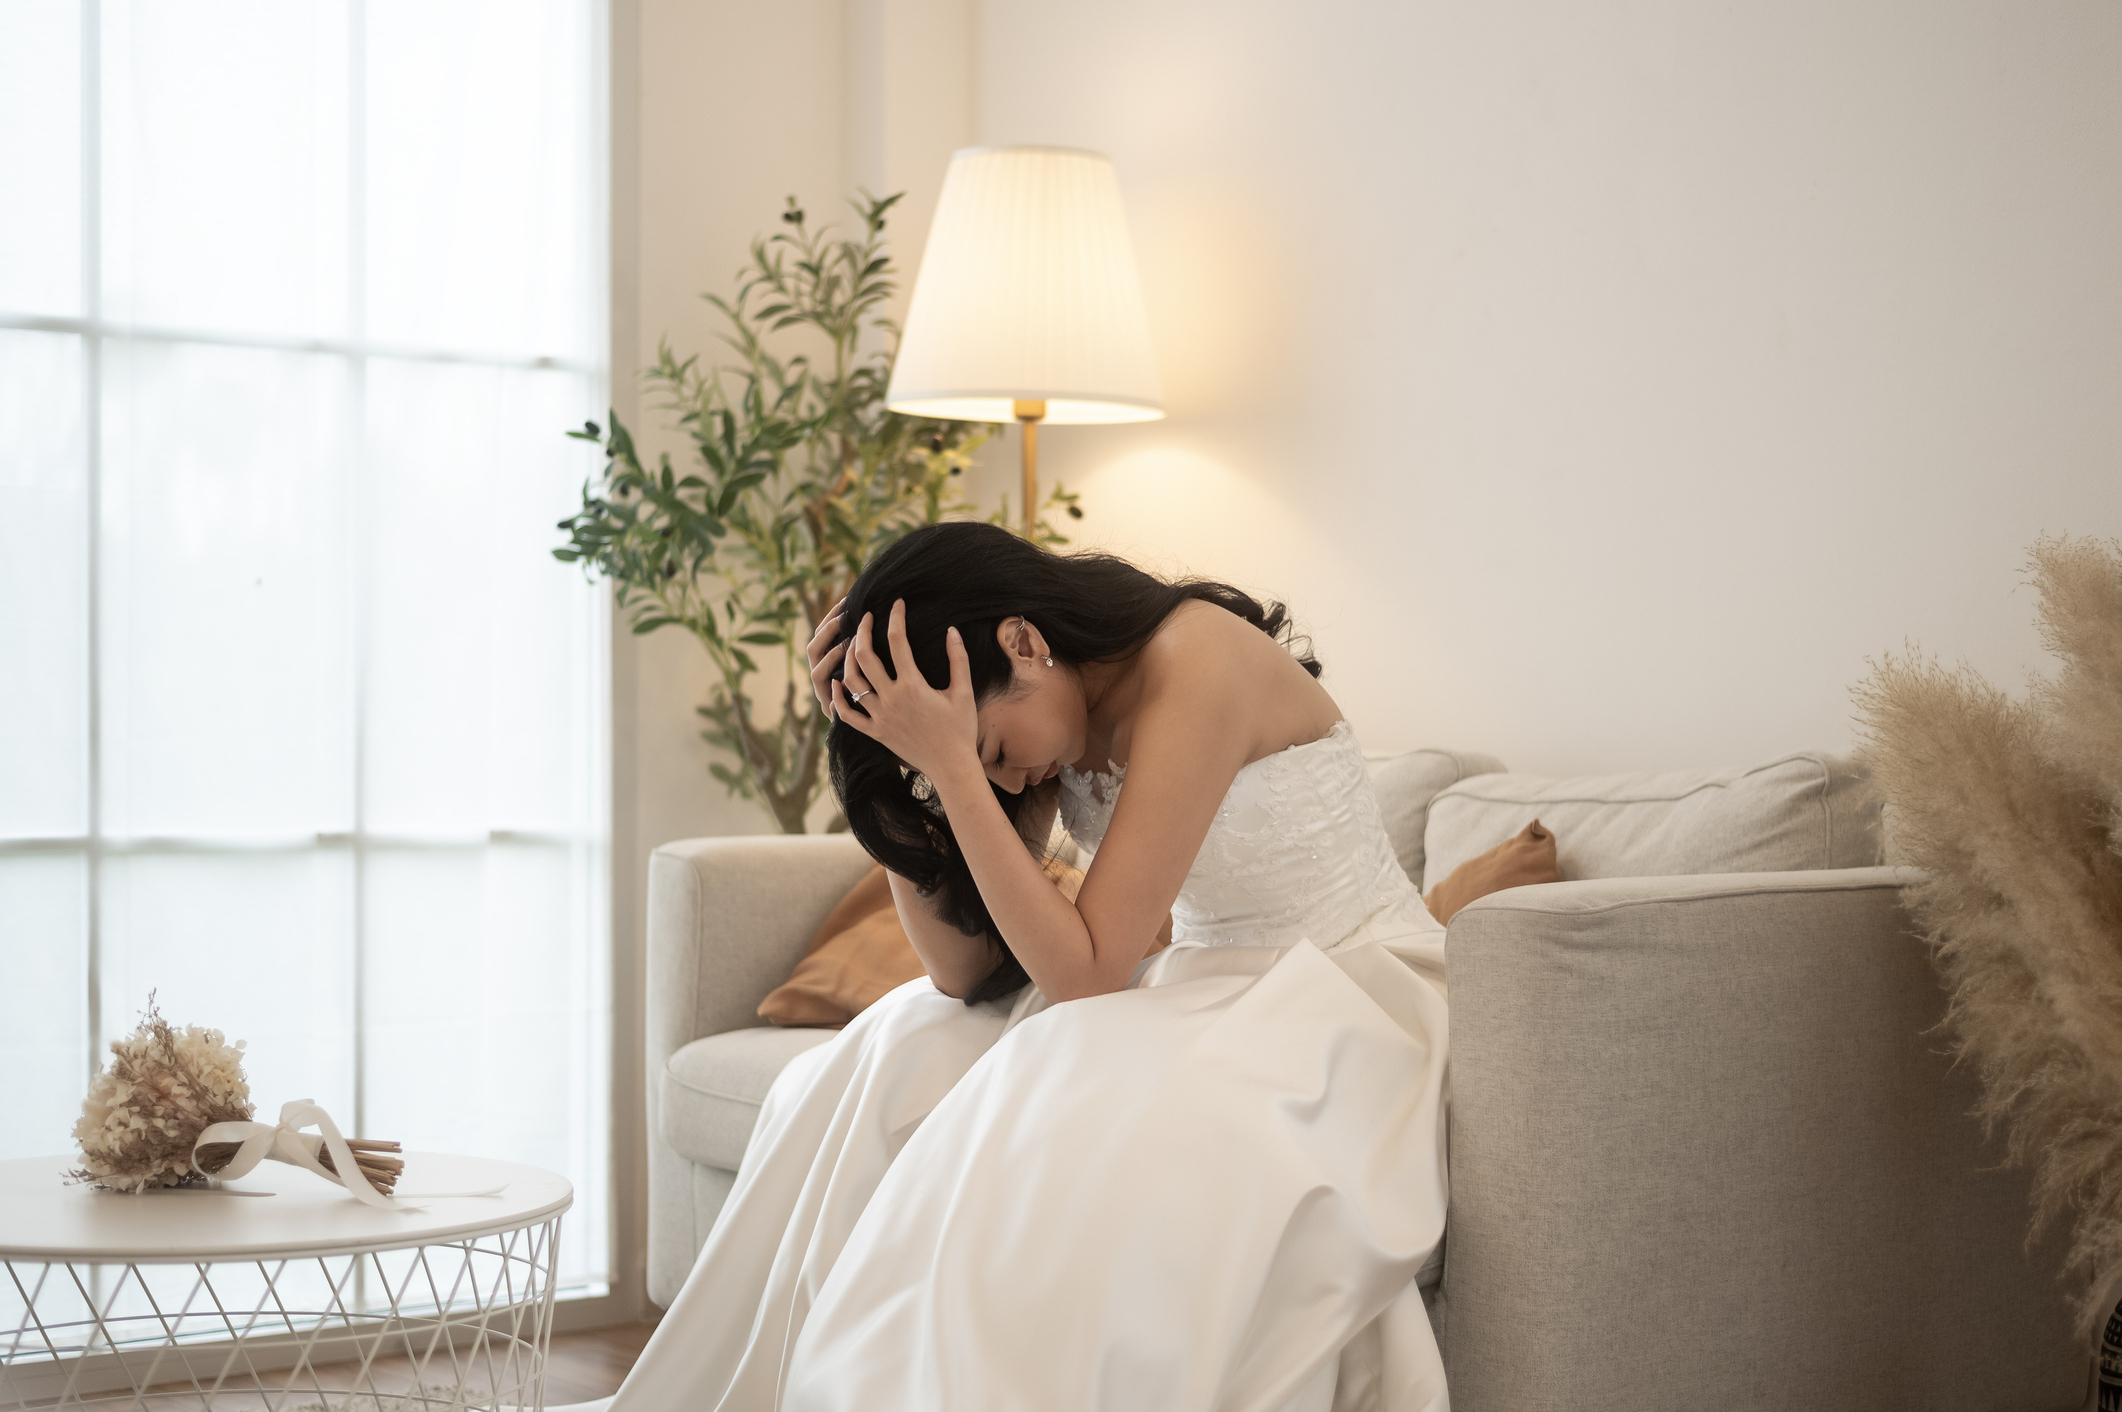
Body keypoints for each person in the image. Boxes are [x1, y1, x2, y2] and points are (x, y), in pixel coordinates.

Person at [585, 521, 1470, 1412]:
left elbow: (1086, 975)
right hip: (1199, 988)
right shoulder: (1062, 715)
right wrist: (879, 763)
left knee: (1065, 1100)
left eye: (995, 754)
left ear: (1022, 641)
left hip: (1348, 991)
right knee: (901, 1040)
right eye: (988, 766)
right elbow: (963, 971)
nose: (1008, 783)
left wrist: (952, 769)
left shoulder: (1198, 659)